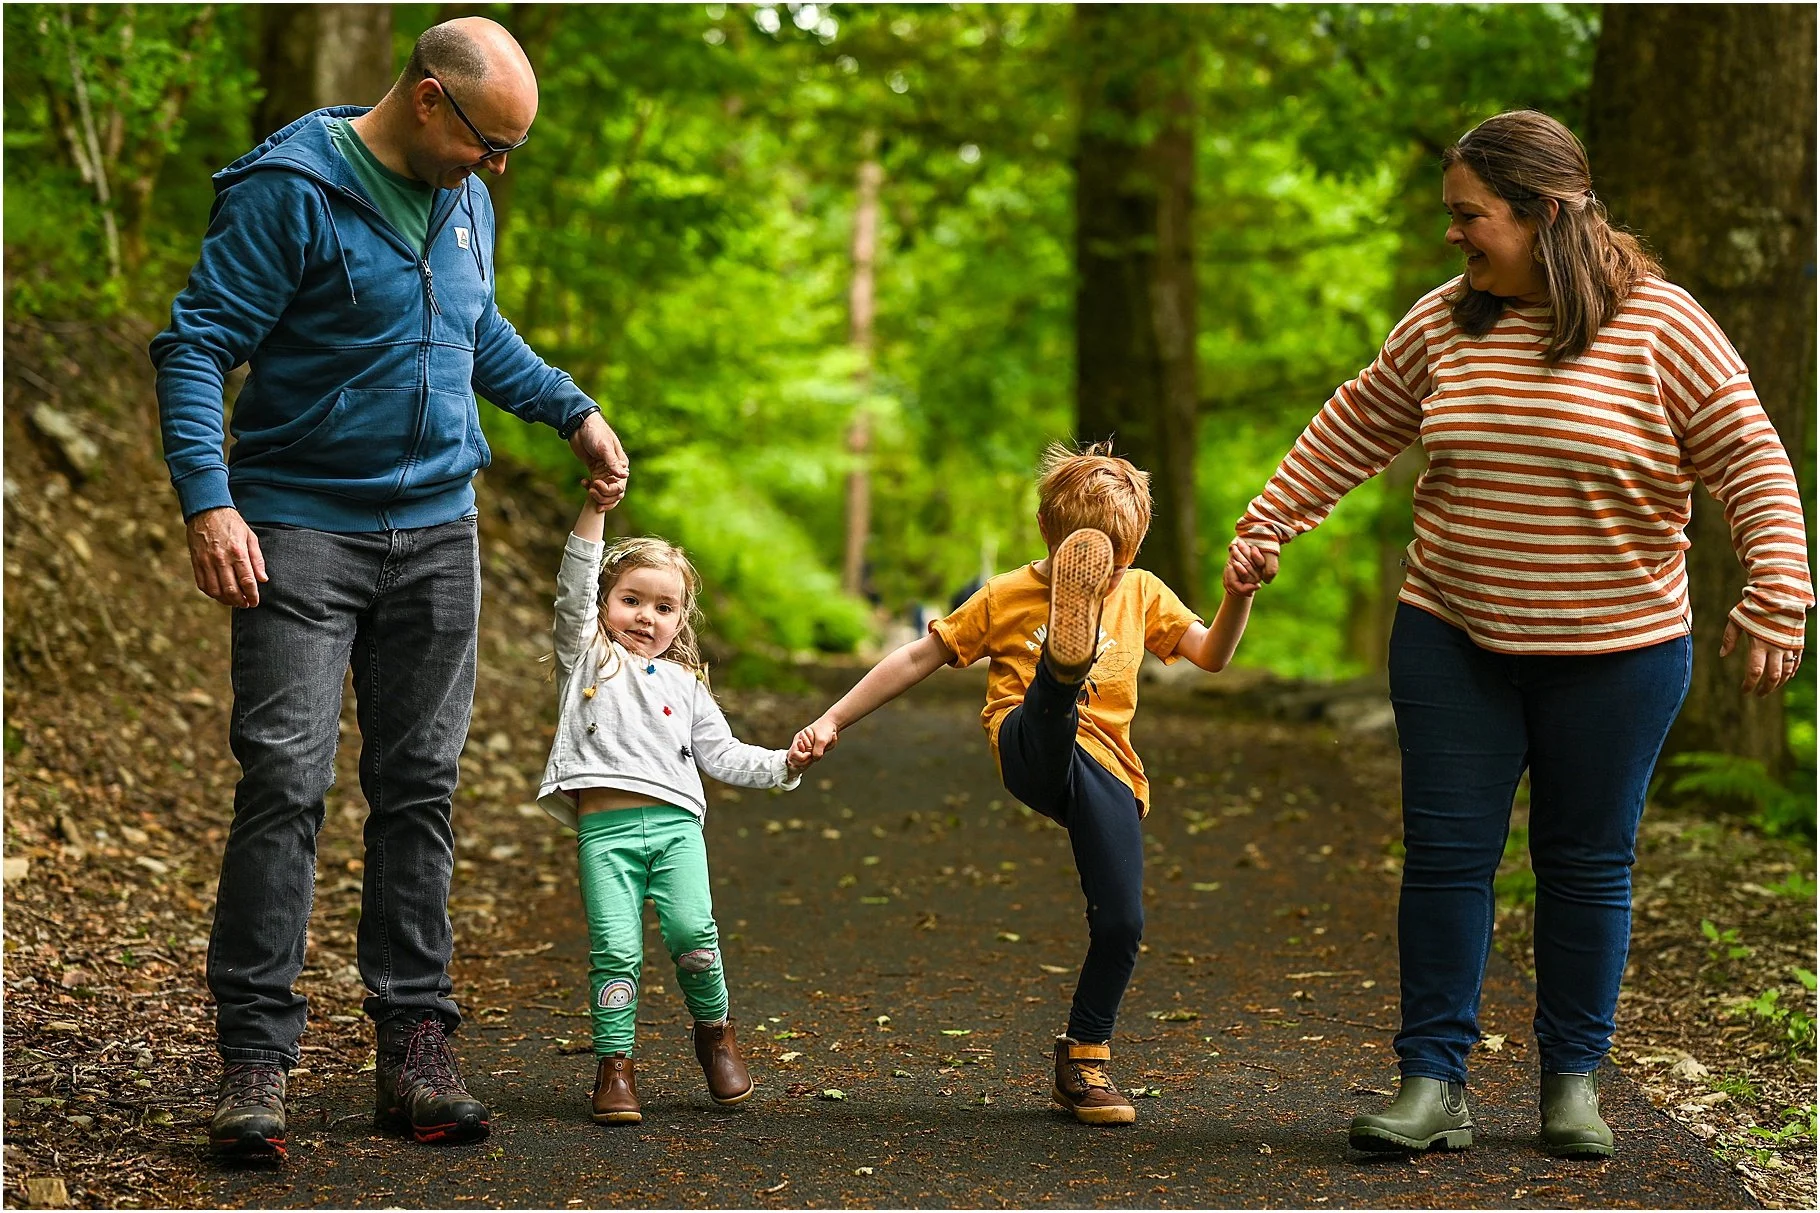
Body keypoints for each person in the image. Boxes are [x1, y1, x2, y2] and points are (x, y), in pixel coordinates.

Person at [1228, 109, 1813, 1160]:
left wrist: (1776, 591)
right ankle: (1430, 1081)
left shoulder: (1663, 326)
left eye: (1468, 215)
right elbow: (1359, 416)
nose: (1450, 235)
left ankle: (1570, 1082)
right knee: (1447, 858)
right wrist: (1269, 518)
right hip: (1452, 633)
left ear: (1541, 213)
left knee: (1584, 860)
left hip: (1619, 653)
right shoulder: (1444, 323)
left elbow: (1749, 459)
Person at [150, 18, 630, 1157]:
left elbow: (474, 330)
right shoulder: (290, 191)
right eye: (488, 141)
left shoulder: (466, 197)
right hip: (299, 530)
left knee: (419, 786)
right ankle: (254, 1058)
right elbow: (196, 343)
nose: (497, 165)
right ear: (426, 100)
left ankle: (415, 1041)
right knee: (285, 779)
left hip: (436, 533)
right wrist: (209, 500)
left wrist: (570, 407)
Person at [797, 440, 1256, 1125]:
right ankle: (1059, 673)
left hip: (1107, 769)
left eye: (1117, 559)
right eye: (1093, 556)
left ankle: (1083, 1059)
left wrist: (1237, 595)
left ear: (1133, 552)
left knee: (1123, 919)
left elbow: (1211, 656)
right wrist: (832, 718)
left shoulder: (1142, 591)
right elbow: (919, 656)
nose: (1112, 570)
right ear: (1052, 534)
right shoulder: (1007, 593)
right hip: (1027, 740)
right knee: (1050, 710)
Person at [535, 479, 814, 1125]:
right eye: (631, 600)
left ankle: (715, 1033)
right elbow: (572, 584)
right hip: (604, 834)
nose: (645, 616)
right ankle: (615, 1066)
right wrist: (596, 509)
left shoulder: (687, 685)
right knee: (616, 948)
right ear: (605, 602)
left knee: (693, 934)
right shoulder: (588, 657)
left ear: (681, 619)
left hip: (676, 828)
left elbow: (724, 754)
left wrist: (784, 764)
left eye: (664, 607)